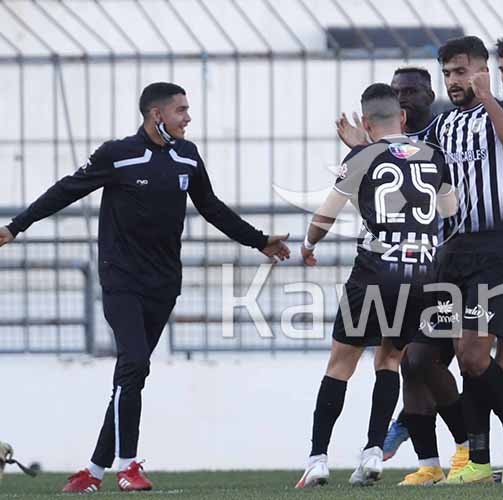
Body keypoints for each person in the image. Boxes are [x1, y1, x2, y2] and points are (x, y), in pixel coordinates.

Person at [0, 82, 290, 493]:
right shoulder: (117, 154)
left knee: (129, 376)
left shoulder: (187, 157)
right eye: (181, 110)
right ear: (157, 115)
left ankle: (93, 473)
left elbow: (212, 207)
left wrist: (259, 240)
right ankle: (128, 466)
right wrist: (16, 227)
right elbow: (66, 190)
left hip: (164, 282)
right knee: (134, 363)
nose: (188, 117)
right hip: (121, 278)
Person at [295, 83, 457, 488]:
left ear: (366, 122)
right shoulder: (435, 156)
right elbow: (450, 215)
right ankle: (372, 453)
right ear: (402, 117)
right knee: (388, 360)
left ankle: (317, 459)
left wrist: (308, 244)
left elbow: (326, 214)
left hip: (374, 270)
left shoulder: (361, 155)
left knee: (341, 364)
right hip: (421, 273)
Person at [426, 35, 503, 485]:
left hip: (496, 246)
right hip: (454, 248)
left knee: (474, 354)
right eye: (448, 73)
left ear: (482, 70)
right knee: (461, 355)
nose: (453, 80)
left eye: (461, 71)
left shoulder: (500, 111)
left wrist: (487, 95)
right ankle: (476, 460)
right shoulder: (443, 126)